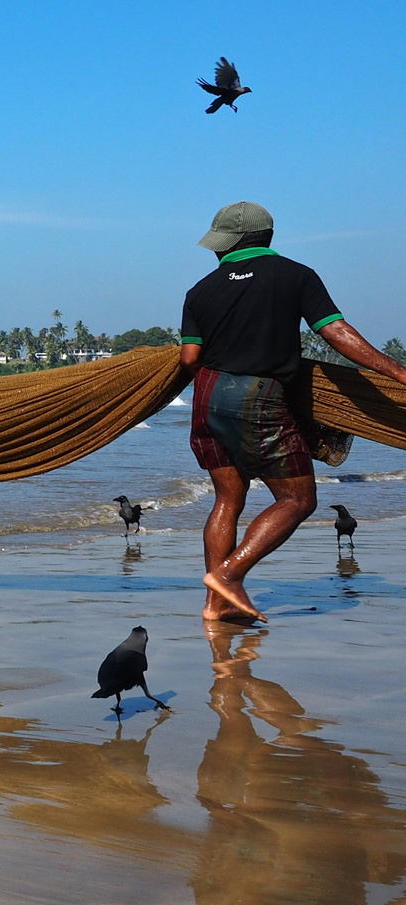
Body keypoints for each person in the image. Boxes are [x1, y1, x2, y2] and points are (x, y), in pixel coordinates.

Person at [178, 202, 406, 623]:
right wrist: (396, 371)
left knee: (228, 498)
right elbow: (336, 333)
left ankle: (215, 606)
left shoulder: (201, 290)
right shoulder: (296, 276)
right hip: (259, 396)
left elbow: (190, 358)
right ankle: (228, 575)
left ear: (232, 243)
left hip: (207, 398)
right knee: (298, 499)